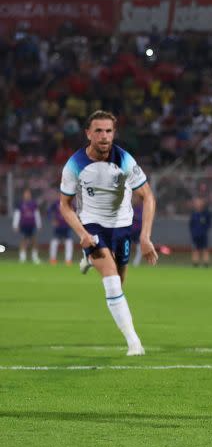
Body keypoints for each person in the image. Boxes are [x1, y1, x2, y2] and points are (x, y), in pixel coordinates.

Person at [59, 110, 159, 356]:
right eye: (98, 131)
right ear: (88, 134)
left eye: (109, 131)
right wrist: (82, 232)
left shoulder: (125, 161)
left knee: (120, 281)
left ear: (114, 133)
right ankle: (134, 342)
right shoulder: (74, 164)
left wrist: (145, 237)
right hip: (92, 226)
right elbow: (64, 205)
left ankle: (88, 261)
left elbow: (147, 196)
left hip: (122, 227)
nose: (104, 137)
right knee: (113, 283)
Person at [12, 189, 41, 264]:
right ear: (23, 195)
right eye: (26, 194)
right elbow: (17, 215)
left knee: (34, 241)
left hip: (32, 225)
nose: (27, 195)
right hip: (24, 225)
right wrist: (15, 225)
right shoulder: (20, 204)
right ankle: (22, 257)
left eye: (28, 194)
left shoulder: (34, 204)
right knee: (23, 240)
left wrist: (39, 224)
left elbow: (36, 214)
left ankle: (35, 257)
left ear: (30, 195)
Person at [48, 198, 74, 265]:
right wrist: (52, 220)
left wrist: (72, 221)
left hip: (67, 226)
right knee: (55, 242)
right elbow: (49, 211)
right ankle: (53, 259)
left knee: (69, 242)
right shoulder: (56, 203)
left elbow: (74, 212)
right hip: (58, 227)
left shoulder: (69, 203)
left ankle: (68, 260)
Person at [189, 197, 212, 267]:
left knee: (205, 249)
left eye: (200, 203)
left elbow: (209, 224)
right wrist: (193, 232)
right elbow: (191, 224)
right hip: (195, 235)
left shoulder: (206, 214)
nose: (198, 204)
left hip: (203, 235)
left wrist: (205, 230)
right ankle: (195, 263)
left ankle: (206, 264)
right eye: (197, 203)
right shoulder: (194, 214)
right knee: (195, 249)